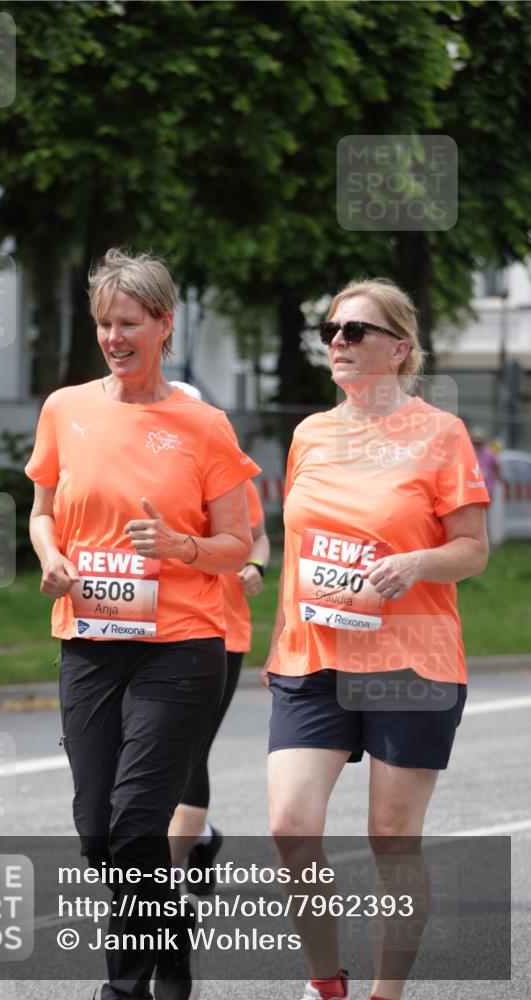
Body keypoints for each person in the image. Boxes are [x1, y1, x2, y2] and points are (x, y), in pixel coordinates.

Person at [25, 249, 260, 1000]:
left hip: (181, 649)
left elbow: (238, 545)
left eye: (129, 323)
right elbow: (38, 512)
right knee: (99, 833)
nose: (114, 337)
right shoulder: (65, 408)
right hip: (89, 642)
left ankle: (123, 991)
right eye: (103, 324)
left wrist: (180, 546)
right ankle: (173, 932)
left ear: (164, 324)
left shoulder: (202, 424)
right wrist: (50, 556)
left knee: (135, 825)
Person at [263, 278, 490, 1000]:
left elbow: (472, 549)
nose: (337, 341)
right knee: (289, 826)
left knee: (391, 840)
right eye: (330, 329)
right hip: (314, 656)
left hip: (410, 660)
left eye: (354, 331)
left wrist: (413, 563)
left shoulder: (439, 434)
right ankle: (323, 982)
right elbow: (298, 551)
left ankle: (384, 995)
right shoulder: (308, 434)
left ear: (398, 348)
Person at [167, 380, 270, 885]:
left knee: (189, 749)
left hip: (219, 630)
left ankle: (164, 877)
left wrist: (255, 566)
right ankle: (201, 836)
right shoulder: (138, 470)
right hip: (150, 629)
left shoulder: (227, 471)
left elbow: (261, 537)